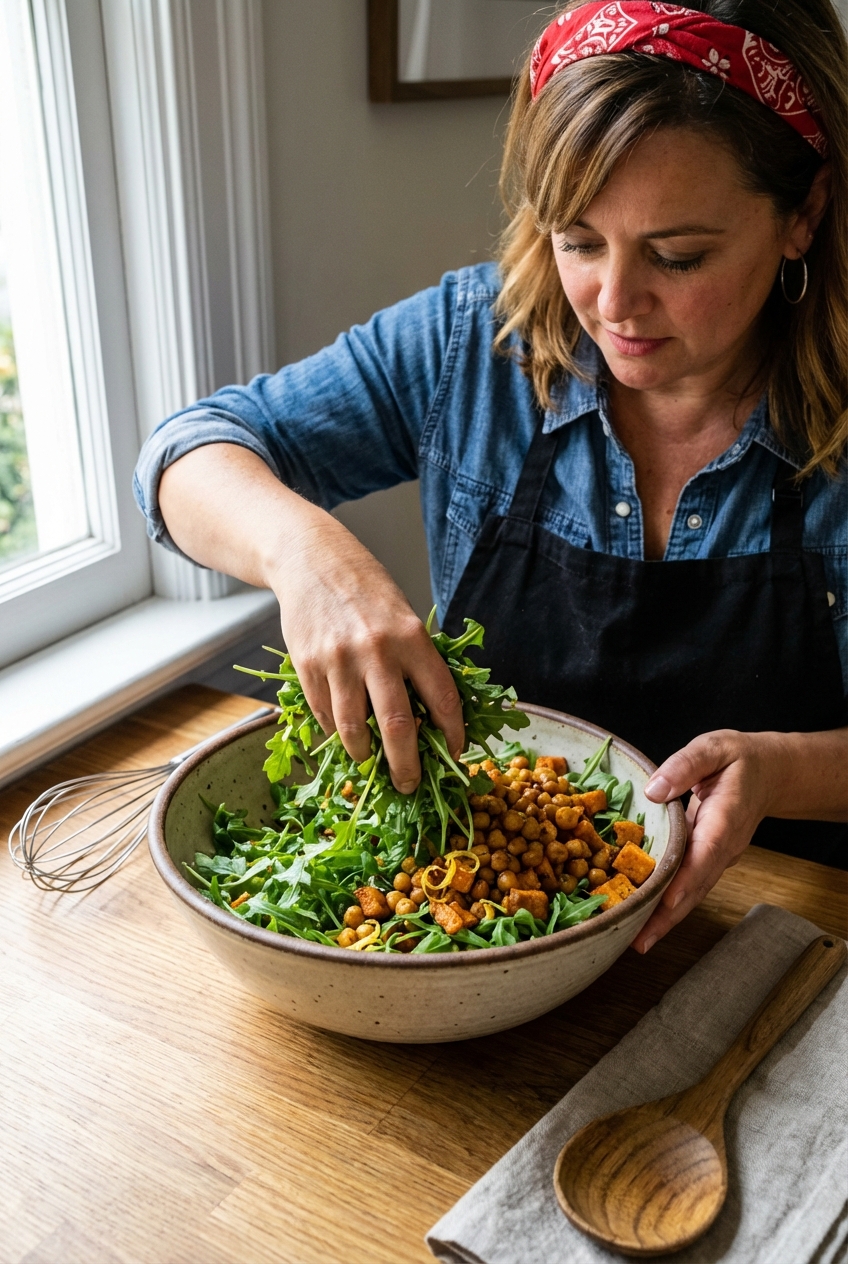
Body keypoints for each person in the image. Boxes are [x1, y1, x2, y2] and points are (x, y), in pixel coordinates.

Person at [134, 0, 847, 954]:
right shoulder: (474, 344)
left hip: (790, 933)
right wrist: (309, 557)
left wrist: (784, 771)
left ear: (804, 213)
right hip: (492, 948)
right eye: (578, 240)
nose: (613, 302)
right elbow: (189, 450)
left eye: (679, 256)